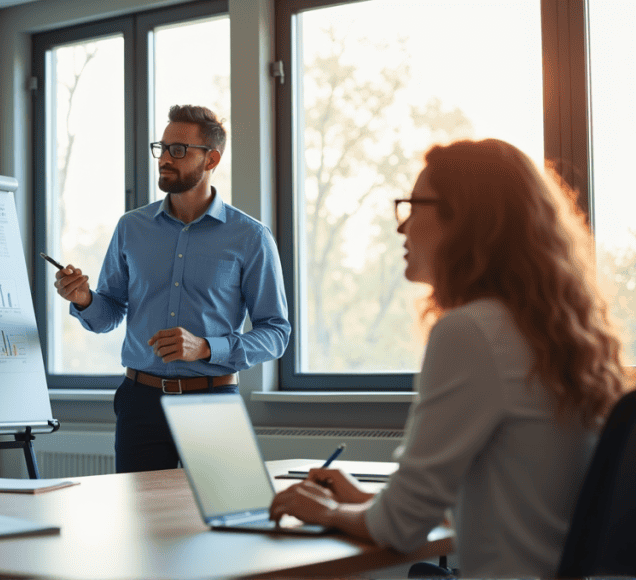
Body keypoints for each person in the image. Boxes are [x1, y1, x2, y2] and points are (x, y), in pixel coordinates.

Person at [269, 139, 631, 578]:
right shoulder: (554, 337)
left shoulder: (472, 332)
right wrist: (361, 501)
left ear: (464, 219)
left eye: (413, 206)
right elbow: (486, 511)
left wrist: (324, 512)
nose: (402, 228)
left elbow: (400, 528)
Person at [54, 105, 291, 473]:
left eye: (177, 150)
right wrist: (83, 299)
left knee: (224, 516)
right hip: (140, 402)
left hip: (213, 400)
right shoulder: (131, 228)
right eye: (161, 148)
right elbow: (109, 315)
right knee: (143, 523)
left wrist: (208, 347)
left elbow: (276, 332)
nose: (164, 158)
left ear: (211, 158)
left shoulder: (251, 237)